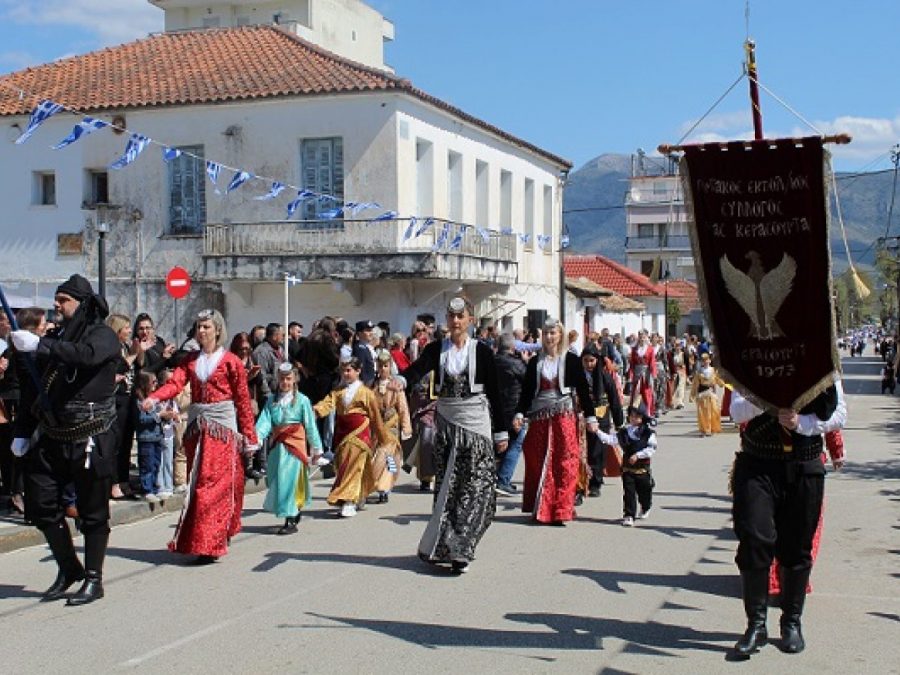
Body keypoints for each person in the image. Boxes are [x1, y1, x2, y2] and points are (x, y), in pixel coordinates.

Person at [10, 274, 119, 605]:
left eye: (63, 300)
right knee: (41, 503)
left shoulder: (103, 336)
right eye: (55, 300)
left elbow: (85, 356)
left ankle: (94, 578)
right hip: (53, 435)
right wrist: (22, 432)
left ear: (81, 303)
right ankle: (69, 568)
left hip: (91, 437)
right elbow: (36, 388)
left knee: (92, 511)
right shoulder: (55, 339)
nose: (56, 306)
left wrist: (40, 345)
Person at [729, 381, 846, 658]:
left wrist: (801, 423)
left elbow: (839, 413)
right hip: (758, 464)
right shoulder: (752, 357)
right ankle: (756, 625)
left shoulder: (820, 356)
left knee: (797, 546)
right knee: (755, 540)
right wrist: (765, 399)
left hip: (804, 464)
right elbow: (735, 412)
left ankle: (791, 622)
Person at [142, 309, 258, 564]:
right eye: (199, 327)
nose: (201, 331)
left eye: (206, 326)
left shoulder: (231, 361)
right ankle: (205, 537)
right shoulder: (190, 360)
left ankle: (211, 542)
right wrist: (154, 397)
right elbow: (175, 384)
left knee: (212, 484)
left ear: (217, 330)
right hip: (198, 429)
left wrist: (249, 436)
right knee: (199, 484)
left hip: (223, 431)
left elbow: (242, 400)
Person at [401, 296, 507, 572]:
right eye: (451, 317)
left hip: (476, 423)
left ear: (470, 320)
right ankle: (444, 545)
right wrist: (400, 380)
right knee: (449, 486)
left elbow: (495, 392)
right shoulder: (437, 349)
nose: (456, 322)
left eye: (461, 317)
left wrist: (501, 431)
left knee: (474, 487)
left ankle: (463, 548)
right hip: (447, 423)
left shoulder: (481, 351)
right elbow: (417, 370)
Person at [515, 318, 597, 525]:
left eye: (553, 333)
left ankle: (561, 509)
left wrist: (590, 416)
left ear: (560, 335)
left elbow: (583, 391)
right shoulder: (535, 362)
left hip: (564, 416)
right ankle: (541, 506)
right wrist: (519, 413)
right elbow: (526, 392)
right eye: (546, 334)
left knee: (565, 461)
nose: (550, 337)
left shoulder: (570, 360)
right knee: (538, 460)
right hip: (540, 416)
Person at [313, 357, 392, 518]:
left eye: (349, 370)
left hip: (360, 432)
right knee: (344, 464)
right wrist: (313, 411)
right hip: (342, 433)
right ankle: (360, 494)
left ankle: (349, 501)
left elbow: (375, 417)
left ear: (358, 371)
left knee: (354, 465)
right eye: (343, 370)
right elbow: (327, 404)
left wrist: (383, 439)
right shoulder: (338, 391)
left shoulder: (367, 393)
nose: (345, 374)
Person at [255, 363, 325, 534]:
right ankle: (294, 510)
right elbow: (264, 422)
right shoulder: (272, 401)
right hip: (278, 447)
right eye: (282, 379)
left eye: (288, 379)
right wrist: (256, 438)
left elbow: (310, 425)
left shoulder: (302, 400)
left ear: (294, 380)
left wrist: (316, 448)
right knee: (277, 478)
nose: (285, 382)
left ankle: (290, 519)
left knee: (289, 480)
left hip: (296, 446)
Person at [595, 403, 657, 527]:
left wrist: (639, 455)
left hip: (642, 470)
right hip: (627, 469)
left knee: (645, 491)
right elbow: (610, 440)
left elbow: (652, 448)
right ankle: (629, 515)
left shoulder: (648, 433)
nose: (634, 419)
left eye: (637, 416)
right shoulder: (624, 432)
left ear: (643, 418)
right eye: (632, 416)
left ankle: (646, 506)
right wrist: (597, 430)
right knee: (629, 492)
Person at [581, 344, 624, 498]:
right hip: (582, 419)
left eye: (591, 360)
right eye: (585, 361)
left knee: (598, 452)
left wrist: (619, 422)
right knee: (584, 452)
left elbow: (614, 401)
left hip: (602, 419)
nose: (588, 364)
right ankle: (581, 483)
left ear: (597, 360)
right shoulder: (578, 377)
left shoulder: (605, 377)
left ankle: (596, 483)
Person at [106, 313, 140, 499]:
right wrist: (132, 356)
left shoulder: (125, 346)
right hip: (115, 399)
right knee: (116, 443)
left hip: (127, 398)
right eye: (126, 327)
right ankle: (113, 483)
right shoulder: (112, 349)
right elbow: (117, 368)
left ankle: (124, 480)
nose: (129, 331)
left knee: (127, 441)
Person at [371, 350, 412, 502]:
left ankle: (385, 488)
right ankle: (378, 485)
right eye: (380, 366)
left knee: (388, 458)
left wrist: (406, 427)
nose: (383, 369)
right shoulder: (372, 385)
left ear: (390, 367)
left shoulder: (395, 386)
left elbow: (403, 407)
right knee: (376, 458)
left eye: (386, 366)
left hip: (391, 427)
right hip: (377, 428)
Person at [493, 333, 527, 495]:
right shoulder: (515, 363)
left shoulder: (491, 361)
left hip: (494, 407)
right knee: (516, 442)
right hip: (513, 408)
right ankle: (503, 479)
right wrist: (525, 361)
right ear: (513, 347)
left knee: (498, 444)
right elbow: (528, 382)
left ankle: (495, 478)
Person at [133, 371, 165, 501]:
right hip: (146, 438)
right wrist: (159, 416)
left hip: (157, 436)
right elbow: (141, 419)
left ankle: (155, 487)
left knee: (156, 463)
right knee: (148, 464)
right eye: (153, 382)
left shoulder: (154, 398)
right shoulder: (139, 401)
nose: (156, 384)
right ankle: (147, 489)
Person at [690, 353, 724, 437]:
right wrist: (693, 395)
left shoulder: (713, 370)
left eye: (707, 360)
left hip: (711, 393)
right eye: (703, 360)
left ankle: (712, 428)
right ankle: (705, 429)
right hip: (702, 394)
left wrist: (722, 383)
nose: (705, 362)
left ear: (709, 360)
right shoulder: (699, 372)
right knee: (703, 413)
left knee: (714, 411)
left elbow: (718, 379)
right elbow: (695, 384)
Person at [629, 331, 656, 416]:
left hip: (646, 373)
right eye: (640, 337)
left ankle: (647, 412)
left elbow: (652, 362)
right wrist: (630, 375)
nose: (642, 339)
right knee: (636, 393)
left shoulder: (650, 349)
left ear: (646, 338)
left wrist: (653, 373)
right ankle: (634, 412)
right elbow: (632, 363)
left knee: (646, 393)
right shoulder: (634, 349)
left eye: (643, 337)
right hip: (637, 373)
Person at [351, 320, 378, 386]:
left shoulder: (368, 346)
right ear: (359, 333)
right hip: (366, 382)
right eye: (368, 331)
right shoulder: (360, 348)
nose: (371, 333)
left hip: (372, 380)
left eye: (371, 330)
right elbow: (361, 368)